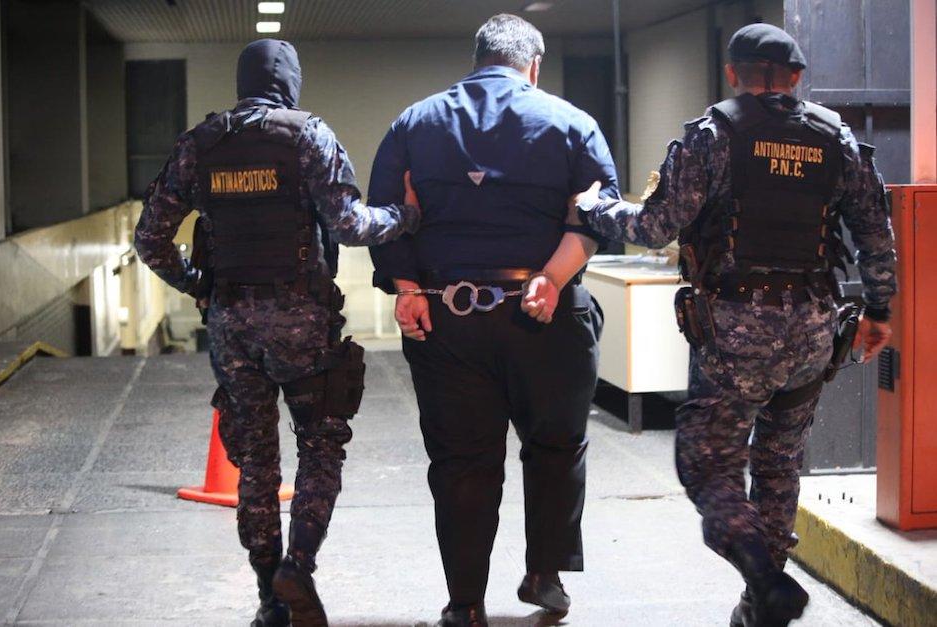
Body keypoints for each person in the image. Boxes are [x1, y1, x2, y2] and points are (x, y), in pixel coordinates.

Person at [569, 23, 896, 627]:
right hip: (812, 334)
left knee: (707, 464)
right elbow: (876, 233)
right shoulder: (838, 139)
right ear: (797, 78)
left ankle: (765, 578)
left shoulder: (711, 135)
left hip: (734, 334)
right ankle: (759, 609)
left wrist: (593, 205)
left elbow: (657, 225)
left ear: (732, 73)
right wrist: (879, 311)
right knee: (779, 463)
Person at [134, 39, 420, 627]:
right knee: (321, 444)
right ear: (290, 82)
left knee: (256, 462)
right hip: (302, 321)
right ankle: (299, 567)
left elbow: (149, 239)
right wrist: (403, 216)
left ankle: (269, 598)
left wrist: (197, 286)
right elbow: (349, 224)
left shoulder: (200, 144)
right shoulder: (307, 135)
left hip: (232, 326)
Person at [367, 13, 616, 627]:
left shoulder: (414, 122)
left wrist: (407, 287)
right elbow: (595, 218)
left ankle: (465, 602)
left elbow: (382, 214)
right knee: (556, 445)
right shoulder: (570, 122)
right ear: (534, 65)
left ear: (476, 60)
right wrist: (551, 279)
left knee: (461, 460)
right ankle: (545, 576)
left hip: (447, 317)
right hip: (545, 316)